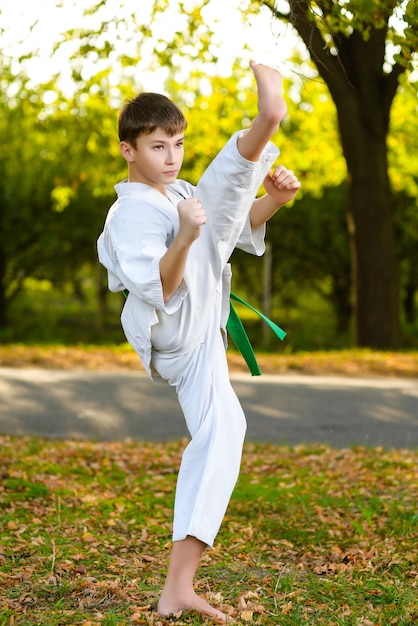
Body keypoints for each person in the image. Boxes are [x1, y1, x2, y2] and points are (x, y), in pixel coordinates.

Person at [97, 61, 301, 623]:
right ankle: (266, 121)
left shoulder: (176, 192)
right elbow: (163, 285)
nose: (172, 156)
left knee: (225, 430)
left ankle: (178, 586)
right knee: (215, 207)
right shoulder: (129, 213)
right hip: (177, 324)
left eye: (179, 143)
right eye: (159, 146)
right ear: (128, 151)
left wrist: (273, 203)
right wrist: (186, 234)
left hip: (202, 319)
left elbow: (228, 235)